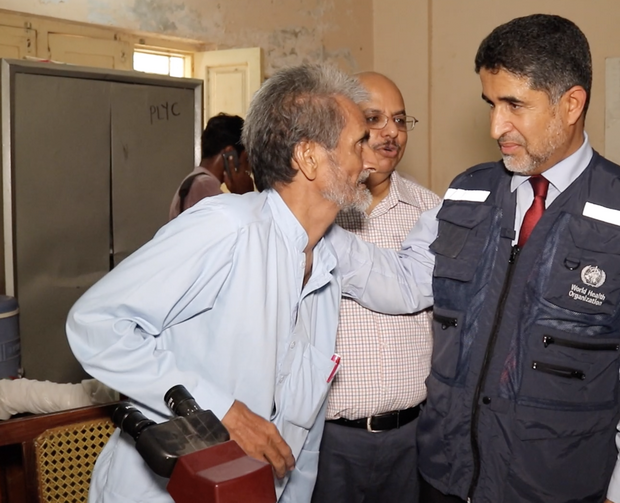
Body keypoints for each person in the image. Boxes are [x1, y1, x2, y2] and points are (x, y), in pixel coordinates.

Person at [329, 14, 620, 503]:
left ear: (571, 104)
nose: (497, 126)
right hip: (445, 478)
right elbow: (407, 284)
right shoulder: (466, 193)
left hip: (553, 487)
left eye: (514, 104)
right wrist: (311, 222)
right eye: (491, 104)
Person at [65, 63, 433, 503]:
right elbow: (95, 325)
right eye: (358, 144)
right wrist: (221, 410)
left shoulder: (328, 258)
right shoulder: (227, 228)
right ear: (310, 157)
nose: (370, 160)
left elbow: (300, 437)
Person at [311, 72, 440, 503]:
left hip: (413, 438)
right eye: (374, 118)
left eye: (400, 120)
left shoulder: (433, 212)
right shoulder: (317, 212)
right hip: (328, 441)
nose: (391, 132)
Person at [167, 113, 254, 221]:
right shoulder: (204, 186)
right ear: (230, 155)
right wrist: (245, 196)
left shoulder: (196, 182)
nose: (248, 168)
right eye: (246, 159)